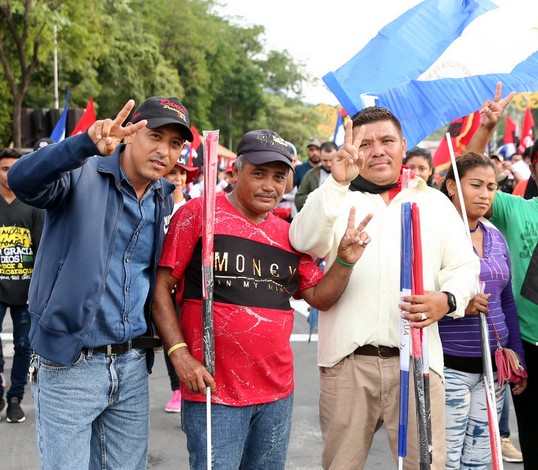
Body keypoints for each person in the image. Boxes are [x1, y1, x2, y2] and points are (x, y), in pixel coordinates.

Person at [153, 129, 373, 469]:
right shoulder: (199, 214)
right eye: (259, 174)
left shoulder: (289, 233)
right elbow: (160, 288)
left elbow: (319, 297)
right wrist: (179, 355)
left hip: (276, 394)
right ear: (235, 171)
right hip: (214, 392)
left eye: (279, 177)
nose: (269, 185)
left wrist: (344, 261)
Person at [8, 97, 192, 468]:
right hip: (69, 363)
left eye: (175, 143)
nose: (165, 151)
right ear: (131, 134)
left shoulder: (161, 196)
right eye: (155, 136)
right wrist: (81, 146)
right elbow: (21, 180)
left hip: (131, 365)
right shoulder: (81, 172)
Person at [289, 107, 479, 469]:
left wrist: (448, 299)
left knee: (426, 465)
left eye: (387, 141)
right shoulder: (338, 196)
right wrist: (336, 183)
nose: (377, 150)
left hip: (420, 361)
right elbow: (303, 240)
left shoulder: (433, 202)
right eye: (366, 143)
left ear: (403, 145)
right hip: (347, 362)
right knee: (340, 465)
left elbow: (464, 266)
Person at [468, 84, 538, 470]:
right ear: (532, 170)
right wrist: (486, 128)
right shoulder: (514, 210)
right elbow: (465, 177)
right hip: (534, 346)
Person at [438, 153, 526, 468]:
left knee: (480, 458)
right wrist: (458, 305)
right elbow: (415, 297)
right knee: (447, 458)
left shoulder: (496, 237)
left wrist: (517, 356)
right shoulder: (435, 236)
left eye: (491, 187)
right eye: (476, 185)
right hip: (449, 368)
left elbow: (506, 301)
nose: (485, 194)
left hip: (492, 369)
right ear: (452, 186)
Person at [0, 148, 44, 423]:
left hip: (25, 292)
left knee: (23, 345)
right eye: (4, 168)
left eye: (14, 168)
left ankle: (15, 397)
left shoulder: (33, 204)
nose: (9, 174)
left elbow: (42, 250)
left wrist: (37, 290)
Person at [160, 154, 198, 413]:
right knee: (167, 336)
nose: (178, 178)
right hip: (160, 283)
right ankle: (177, 388)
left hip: (186, 284)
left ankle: (186, 386)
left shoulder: (195, 207)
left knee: (187, 335)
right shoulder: (155, 204)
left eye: (182, 173)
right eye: (173, 172)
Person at [295, 140, 337, 210]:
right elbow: (298, 200)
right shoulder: (311, 174)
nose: (328, 164)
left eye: (331, 160)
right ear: (320, 156)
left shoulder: (346, 174)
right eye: (325, 160)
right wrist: (316, 197)